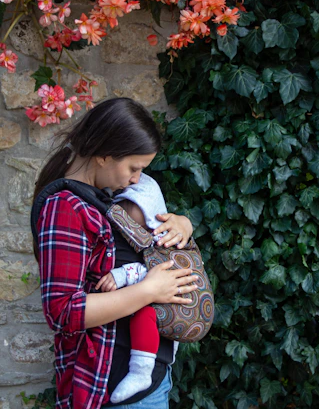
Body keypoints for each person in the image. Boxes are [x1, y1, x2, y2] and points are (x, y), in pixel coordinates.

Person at [31, 97, 197, 409]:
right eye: (134, 168)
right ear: (105, 155)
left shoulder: (100, 199)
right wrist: (148, 290)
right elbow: (63, 312)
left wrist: (182, 224)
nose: (136, 179)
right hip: (111, 389)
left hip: (143, 385)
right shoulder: (64, 208)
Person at [95, 172, 184, 404]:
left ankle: (140, 372)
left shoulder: (163, 242)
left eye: (142, 226)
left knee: (144, 315)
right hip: (130, 372)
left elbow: (158, 272)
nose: (134, 232)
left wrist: (122, 274)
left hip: (148, 377)